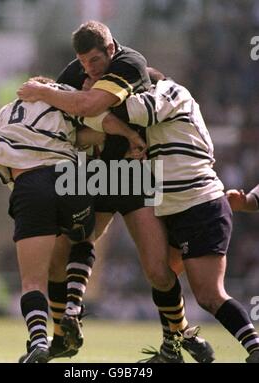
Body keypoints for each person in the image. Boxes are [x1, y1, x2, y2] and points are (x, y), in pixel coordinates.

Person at [18, 21, 214, 363]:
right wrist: (53, 95)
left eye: (94, 61)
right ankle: (65, 334)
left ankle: (180, 335)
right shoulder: (75, 70)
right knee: (62, 254)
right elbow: (68, 117)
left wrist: (48, 93)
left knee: (157, 269)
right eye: (83, 63)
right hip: (95, 171)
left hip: (135, 174)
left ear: (110, 49)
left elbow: (90, 106)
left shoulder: (131, 64)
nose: (87, 69)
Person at [0, 76, 144, 363]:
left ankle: (39, 342)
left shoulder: (3, 114)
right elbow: (101, 123)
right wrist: (131, 137)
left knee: (32, 282)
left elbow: (6, 159)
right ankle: (72, 305)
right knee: (83, 238)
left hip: (29, 184)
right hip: (69, 179)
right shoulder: (63, 98)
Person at [111, 68, 259, 363]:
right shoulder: (166, 113)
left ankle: (255, 348)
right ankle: (172, 350)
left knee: (209, 295)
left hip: (199, 207)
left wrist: (98, 96)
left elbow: (136, 111)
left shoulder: (169, 92)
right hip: (183, 208)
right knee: (161, 274)